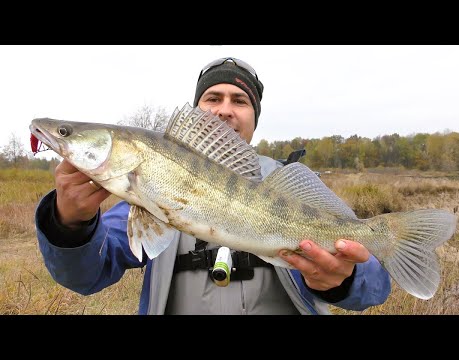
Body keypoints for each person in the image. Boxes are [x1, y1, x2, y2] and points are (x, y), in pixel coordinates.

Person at [34, 57, 391, 315]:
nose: (224, 110)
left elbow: (373, 284)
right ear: (197, 110)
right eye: (212, 98)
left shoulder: (288, 183)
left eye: (239, 100)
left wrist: (344, 278)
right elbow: (87, 275)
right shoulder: (145, 191)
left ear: (255, 116)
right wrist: (70, 224)